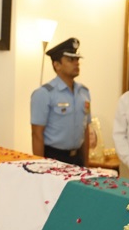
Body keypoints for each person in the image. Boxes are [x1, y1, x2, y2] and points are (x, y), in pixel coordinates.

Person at [30, 38, 90, 166]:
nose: (76, 63)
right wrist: (40, 166)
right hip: (54, 158)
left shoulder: (84, 92)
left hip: (77, 158)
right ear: (57, 65)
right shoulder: (44, 93)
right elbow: (37, 134)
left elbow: (85, 129)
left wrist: (86, 163)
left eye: (77, 59)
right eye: (70, 60)